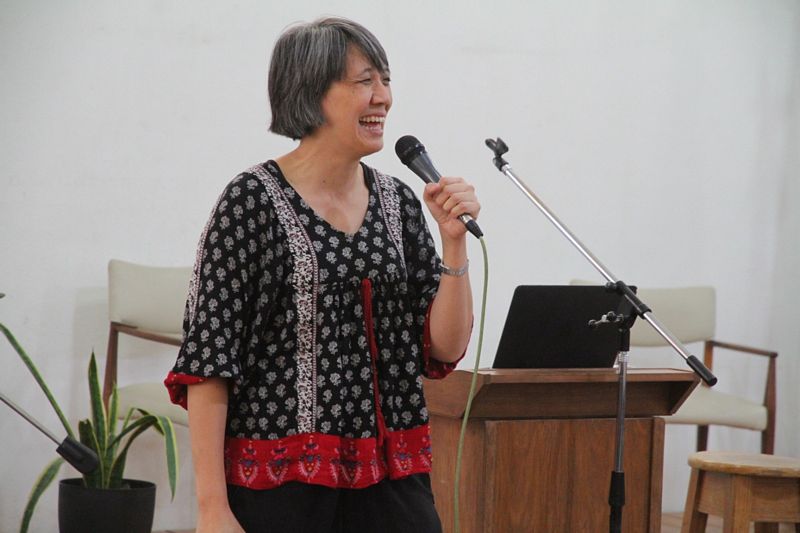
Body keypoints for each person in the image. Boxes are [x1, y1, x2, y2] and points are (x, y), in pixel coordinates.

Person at [165, 16, 479, 533]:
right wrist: (212, 509)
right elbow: (209, 362)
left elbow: (444, 347)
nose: (383, 97)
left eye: (385, 80)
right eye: (364, 81)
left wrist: (453, 243)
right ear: (311, 92)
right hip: (280, 484)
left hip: (393, 479)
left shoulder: (399, 202)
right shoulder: (251, 202)